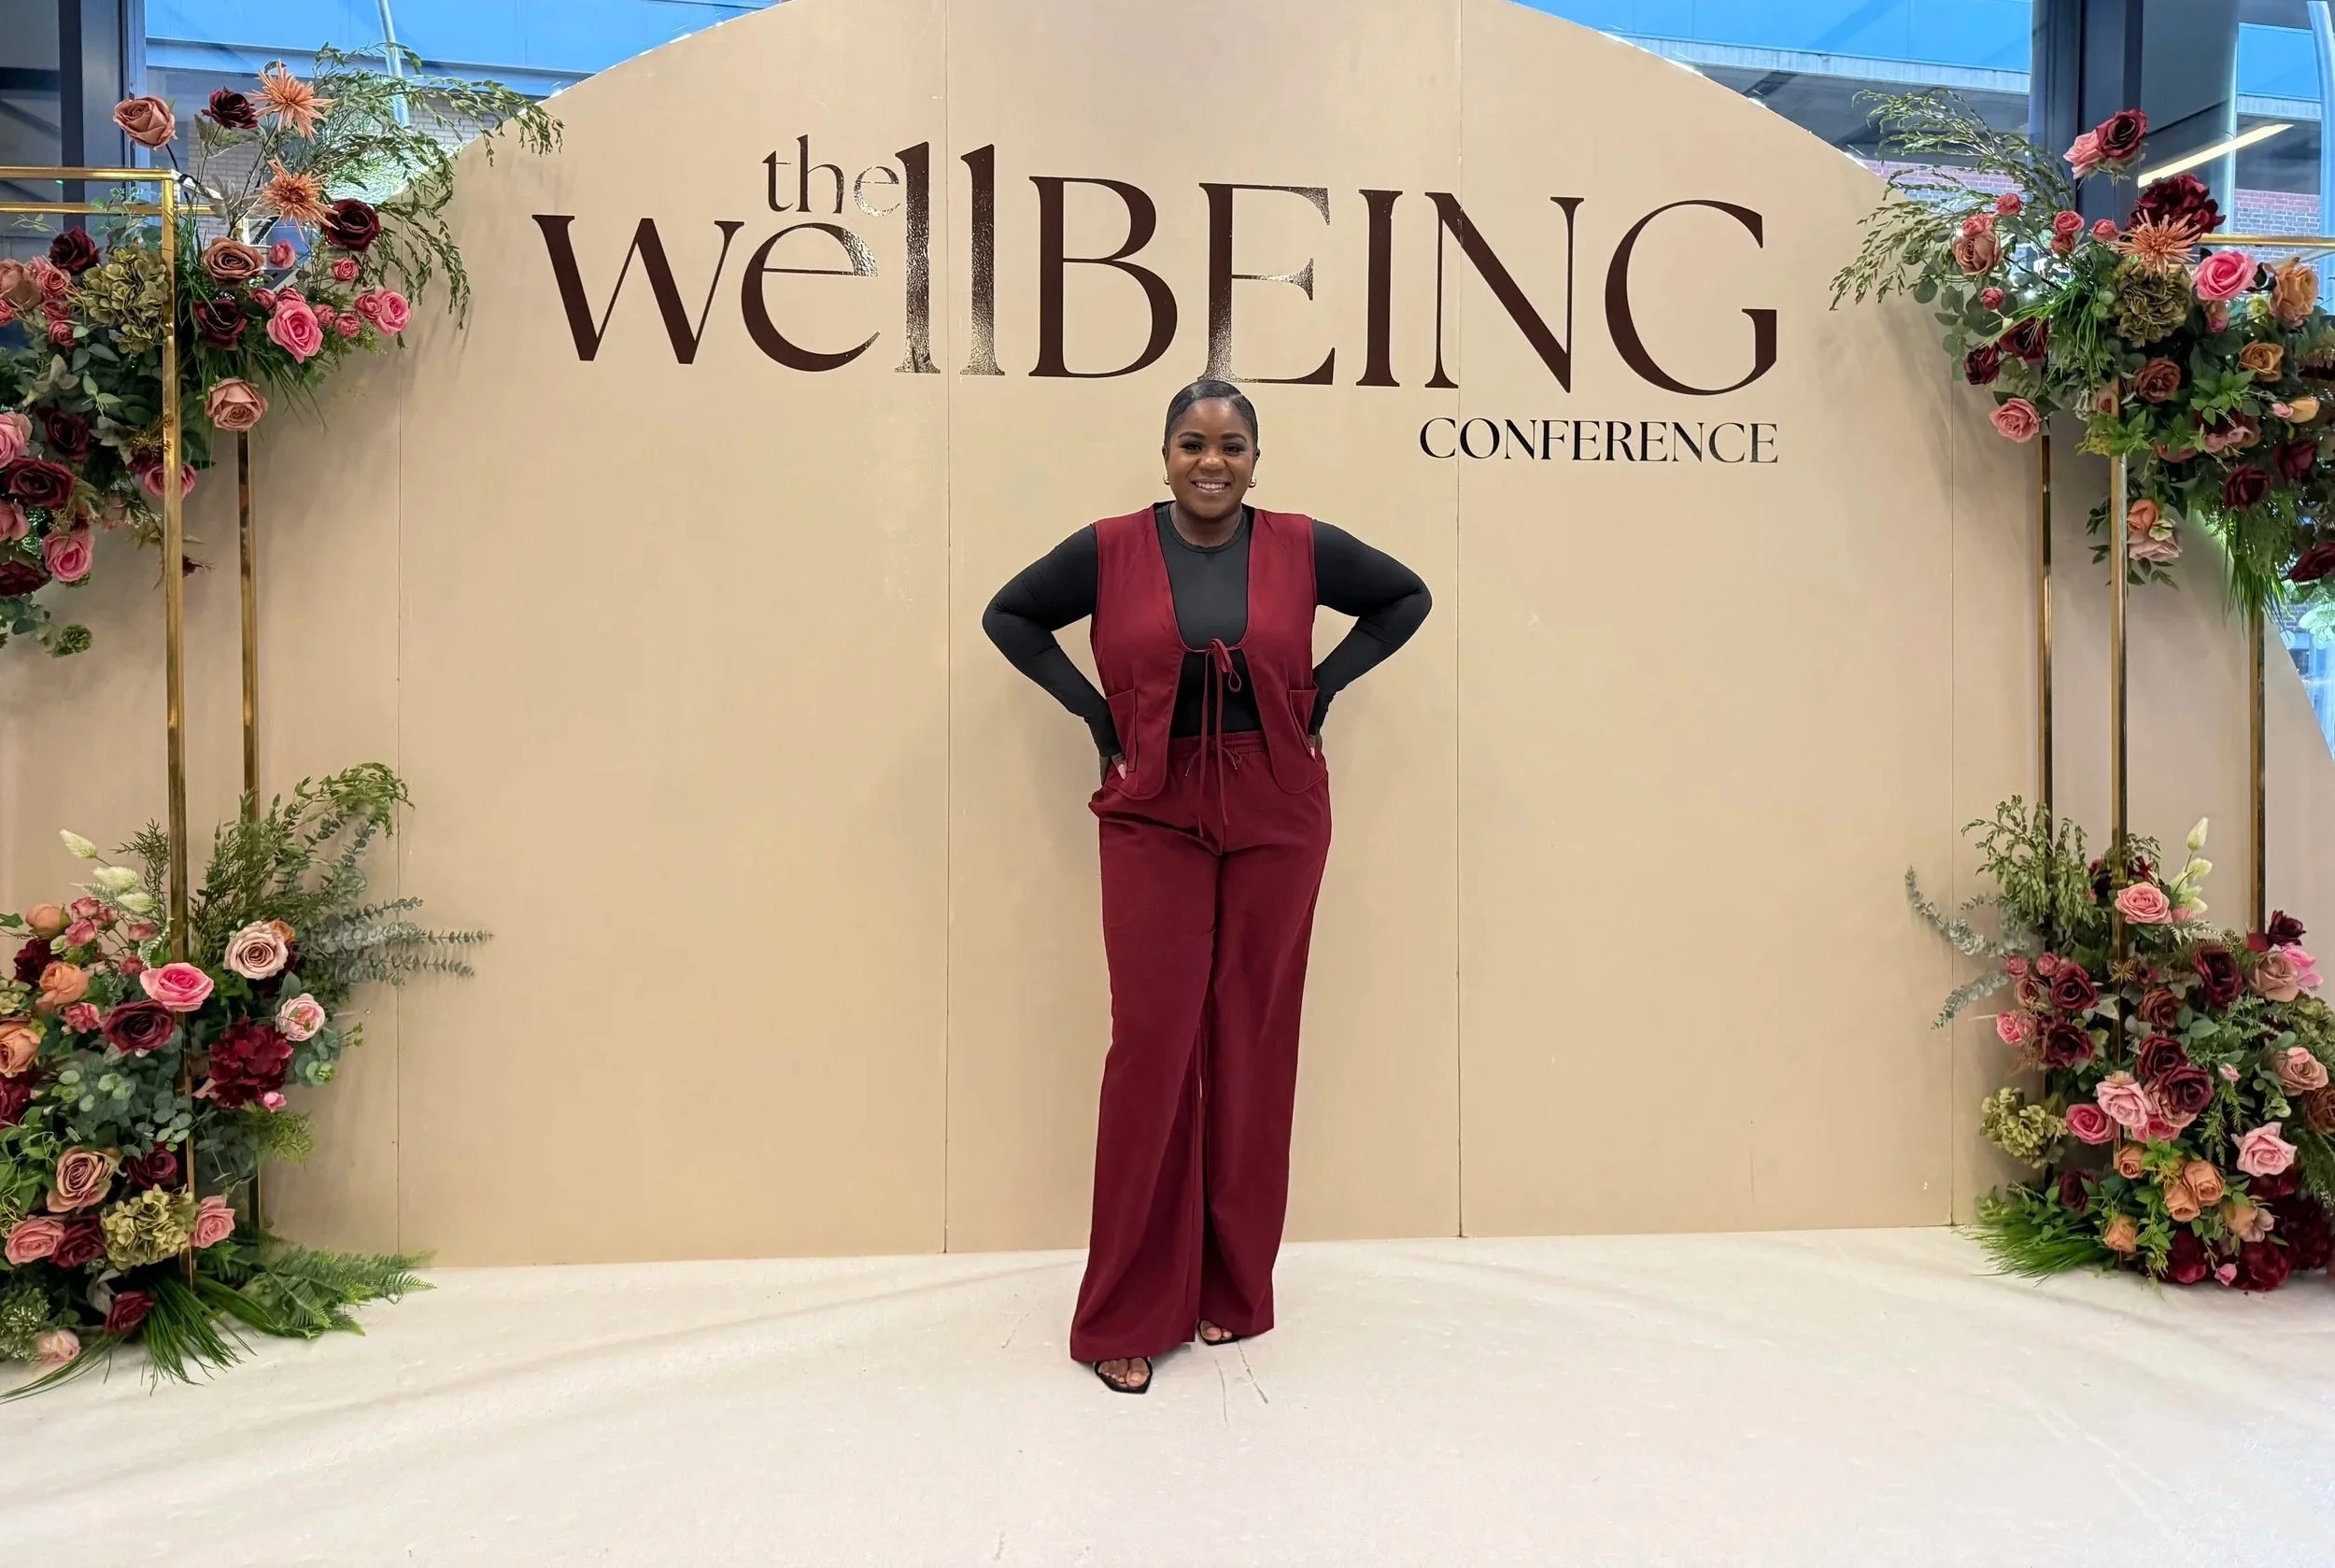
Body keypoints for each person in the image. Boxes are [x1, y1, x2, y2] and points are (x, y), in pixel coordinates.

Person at [983, 378, 1431, 1394]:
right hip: (1154, 809)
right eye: (1192, 443)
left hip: (1277, 807)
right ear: (1166, 454)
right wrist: (1098, 719)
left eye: (1231, 444)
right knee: (1152, 1042)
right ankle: (1126, 1311)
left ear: (1257, 457)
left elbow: (1405, 596)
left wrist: (1318, 688)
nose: (1211, 461)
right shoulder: (1109, 548)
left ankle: (1233, 1286)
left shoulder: (1302, 546)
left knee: (1253, 1035)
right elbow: (1010, 617)